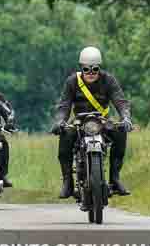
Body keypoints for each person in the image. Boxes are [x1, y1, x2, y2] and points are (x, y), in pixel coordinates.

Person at [51, 46, 133, 198]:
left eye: (94, 69)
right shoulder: (72, 81)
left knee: (121, 133)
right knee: (65, 137)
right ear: (81, 67)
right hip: (79, 122)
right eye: (86, 69)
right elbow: (64, 105)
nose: (90, 73)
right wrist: (60, 121)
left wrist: (126, 118)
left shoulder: (108, 80)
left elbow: (120, 101)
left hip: (102, 121)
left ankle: (115, 179)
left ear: (99, 68)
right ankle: (68, 183)